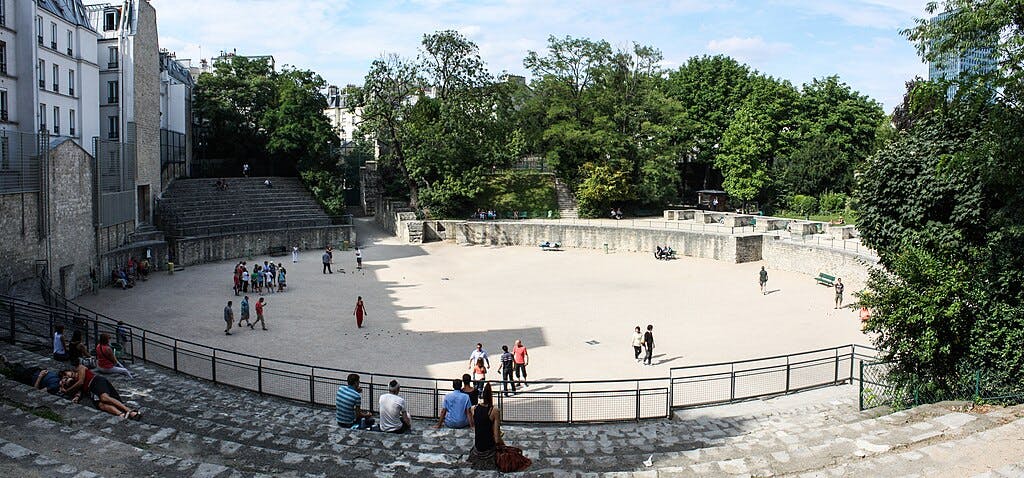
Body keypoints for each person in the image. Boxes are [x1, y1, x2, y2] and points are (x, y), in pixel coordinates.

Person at [59, 364, 139, 419]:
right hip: (91, 391)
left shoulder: (80, 368)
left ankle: (129, 410)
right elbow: (79, 391)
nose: (67, 376)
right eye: (64, 377)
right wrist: (74, 395)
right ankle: (120, 414)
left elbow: (81, 382)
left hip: (95, 381)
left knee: (104, 398)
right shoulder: (74, 383)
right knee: (101, 405)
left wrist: (66, 391)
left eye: (66, 374)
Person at [467, 383, 505, 470]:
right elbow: (496, 438)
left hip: (478, 446)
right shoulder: (494, 410)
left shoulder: (474, 408)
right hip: (489, 448)